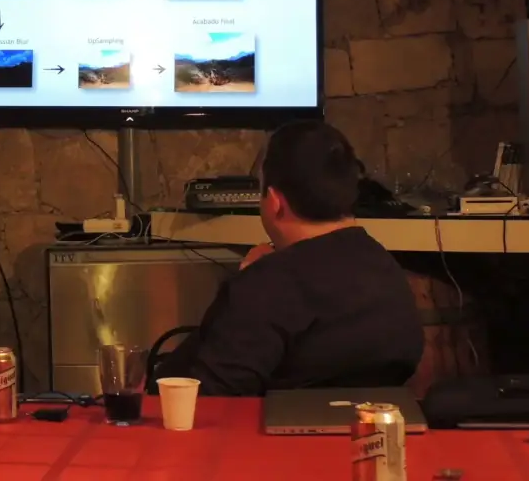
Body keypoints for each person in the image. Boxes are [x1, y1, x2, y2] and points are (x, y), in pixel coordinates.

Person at [154, 120, 424, 395]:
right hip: (373, 421)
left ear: (274, 202)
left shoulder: (266, 287)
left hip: (272, 424)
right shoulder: (387, 270)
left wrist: (249, 287)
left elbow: (207, 397)